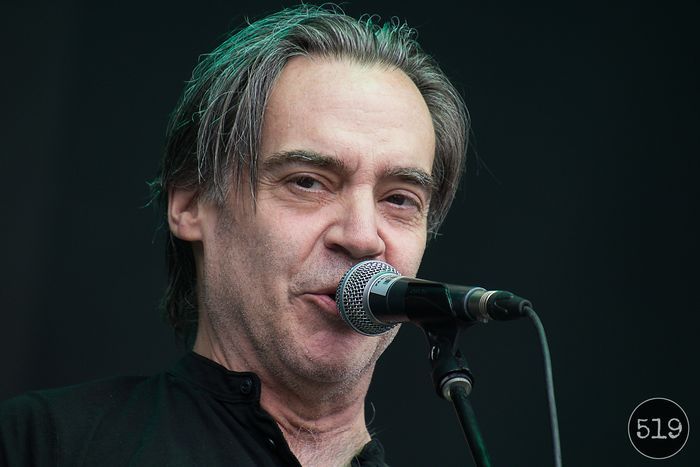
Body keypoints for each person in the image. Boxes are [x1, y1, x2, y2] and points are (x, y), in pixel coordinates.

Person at [0, 5, 467, 466]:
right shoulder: (39, 444)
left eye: (400, 199)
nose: (363, 238)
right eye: (307, 182)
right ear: (190, 203)